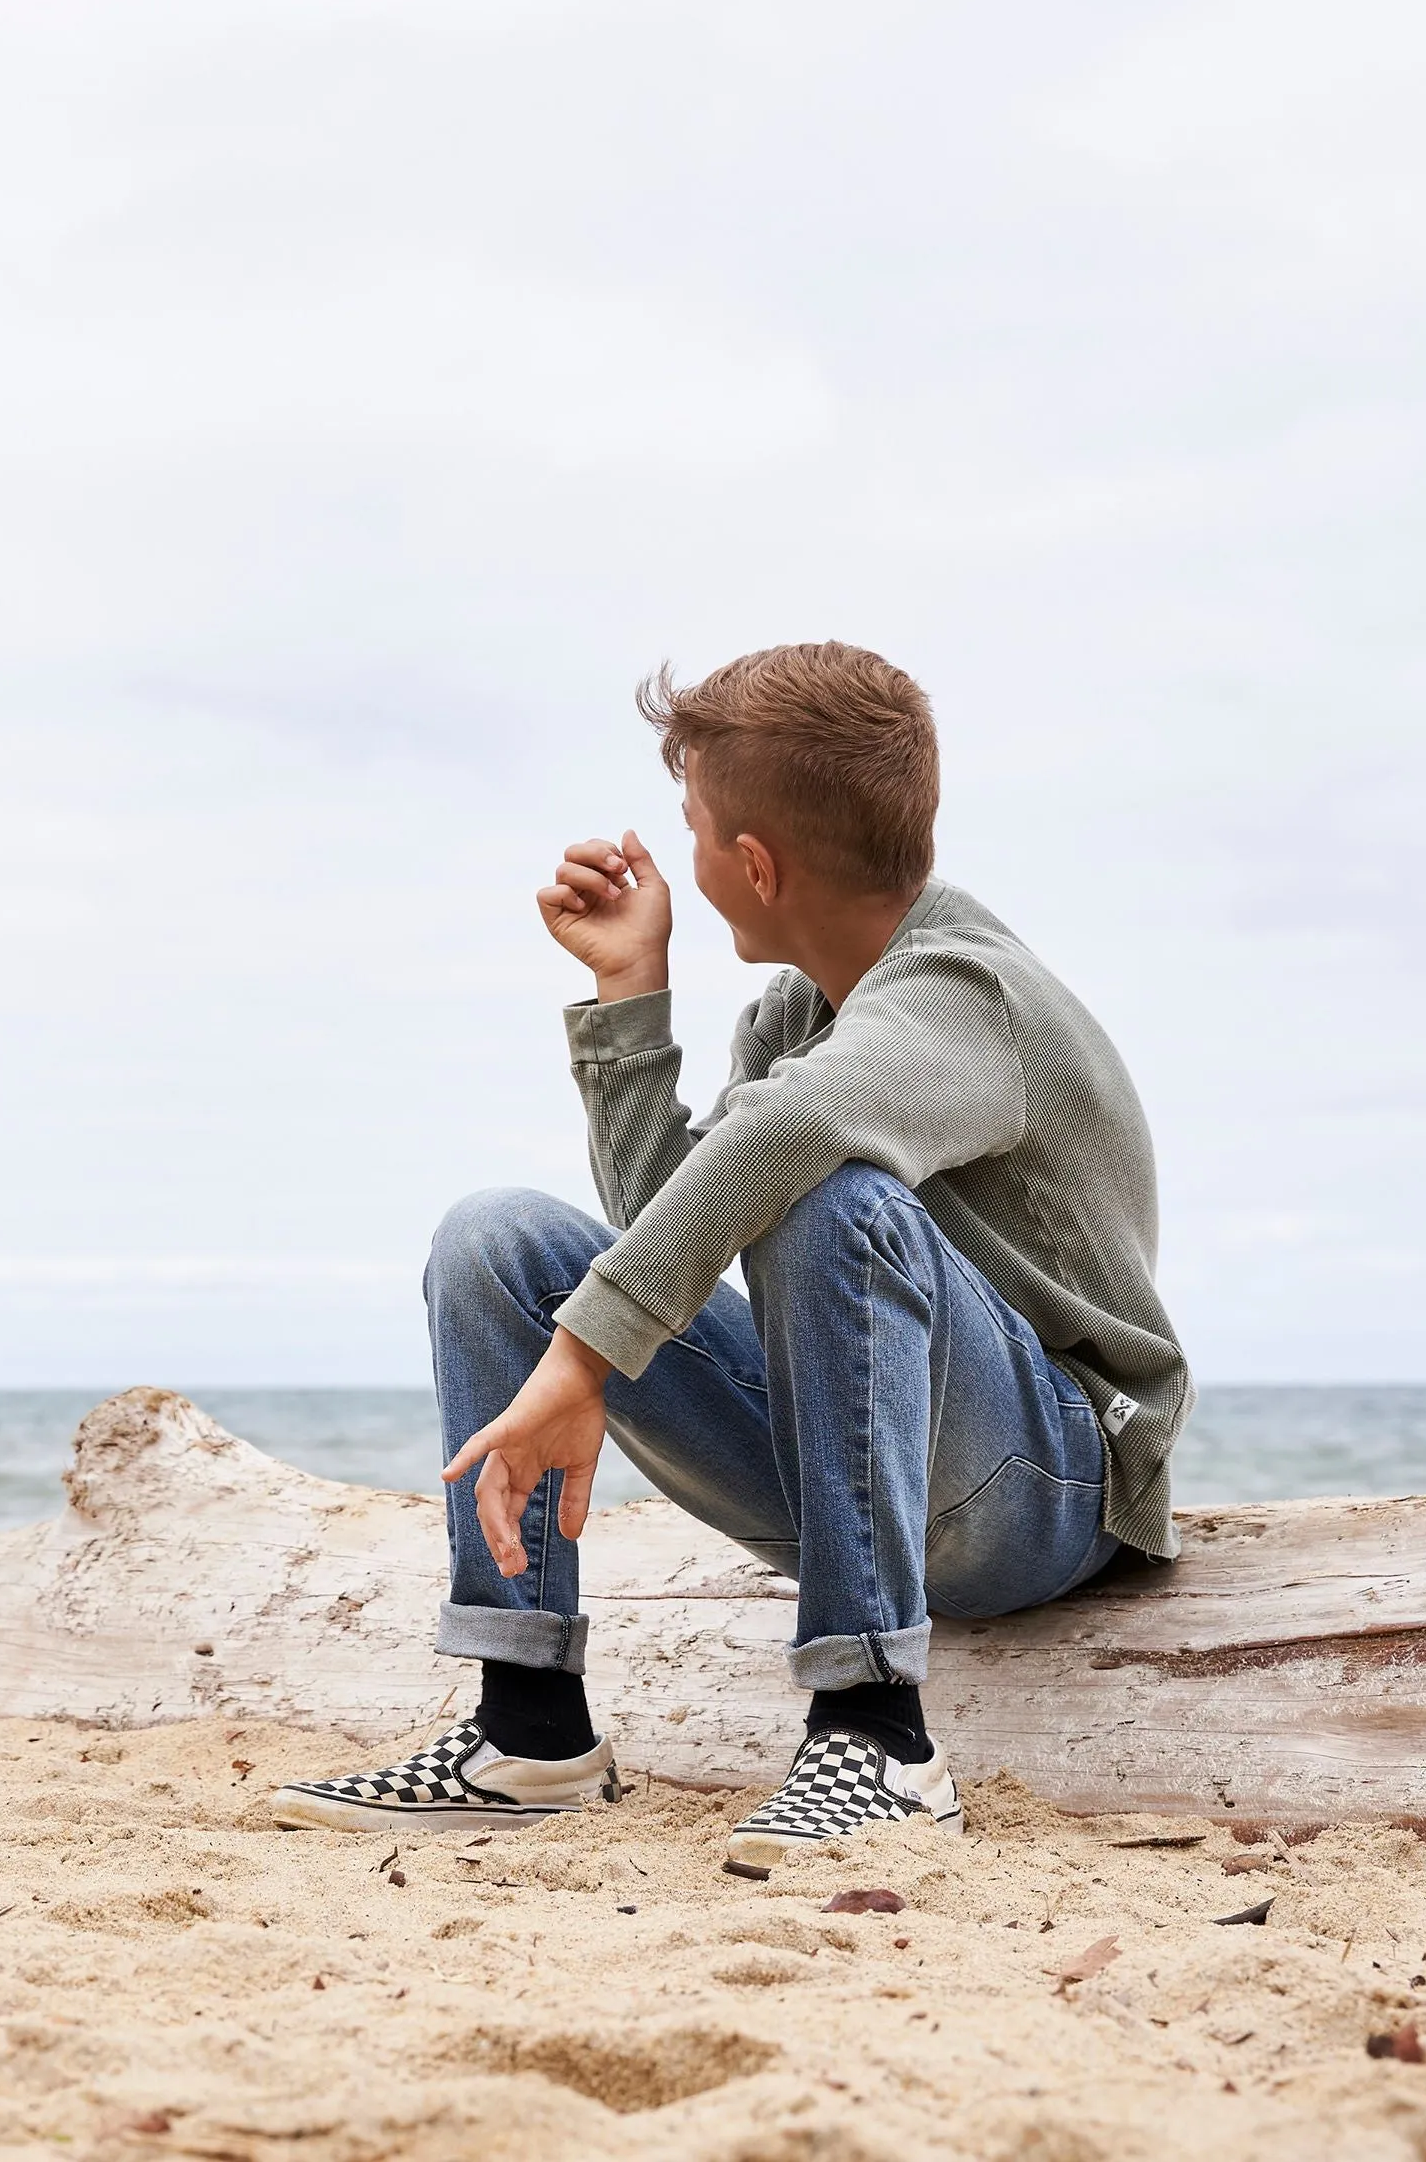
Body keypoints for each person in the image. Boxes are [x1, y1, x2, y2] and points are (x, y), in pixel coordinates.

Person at [271, 641, 1190, 1871]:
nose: (689, 855)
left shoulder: (967, 992)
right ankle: (526, 1727)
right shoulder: (797, 1013)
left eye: (694, 827)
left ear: (750, 863)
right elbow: (679, 1227)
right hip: (859, 1471)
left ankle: (876, 1737)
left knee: (831, 1194)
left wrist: (582, 1358)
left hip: (1045, 1491)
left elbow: (791, 1143)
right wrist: (627, 993)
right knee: (496, 1237)